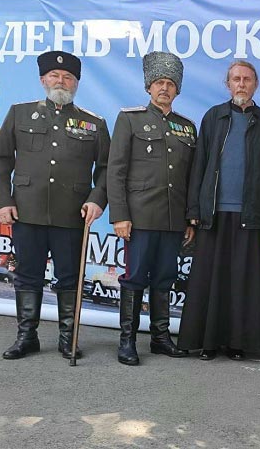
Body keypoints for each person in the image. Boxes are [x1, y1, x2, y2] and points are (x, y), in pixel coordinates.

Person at [0, 50, 110, 360]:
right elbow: (1, 160)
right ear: (43, 79)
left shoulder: (94, 123)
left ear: (76, 83)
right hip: (26, 211)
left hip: (72, 214)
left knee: (69, 278)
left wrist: (97, 200)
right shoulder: (20, 113)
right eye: (55, 76)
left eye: (68, 77)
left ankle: (67, 339)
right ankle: (26, 337)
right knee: (28, 275)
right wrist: (4, 201)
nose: (61, 81)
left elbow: (109, 169)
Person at [178, 61, 260, 361]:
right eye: (236, 79)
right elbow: (200, 166)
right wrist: (194, 210)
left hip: (251, 214)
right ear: (227, 84)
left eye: (247, 79)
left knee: (243, 282)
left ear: (256, 84)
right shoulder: (214, 117)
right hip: (214, 214)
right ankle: (208, 343)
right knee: (212, 280)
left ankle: (238, 344)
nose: (241, 84)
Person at [107, 51, 196, 366]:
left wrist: (190, 219)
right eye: (159, 82)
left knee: (165, 278)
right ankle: (127, 342)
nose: (165, 88)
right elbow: (115, 171)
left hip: (173, 220)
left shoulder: (187, 128)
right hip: (139, 218)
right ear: (148, 87)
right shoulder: (129, 119)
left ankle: (160, 338)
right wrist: (119, 215)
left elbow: (190, 178)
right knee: (133, 280)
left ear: (177, 90)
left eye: (171, 84)